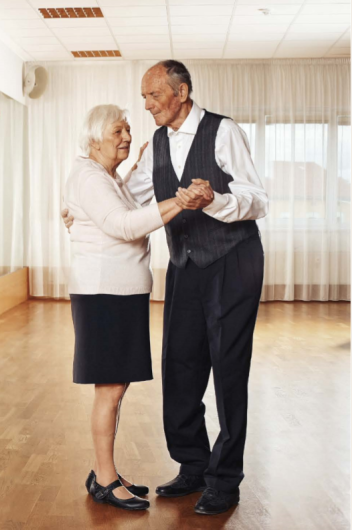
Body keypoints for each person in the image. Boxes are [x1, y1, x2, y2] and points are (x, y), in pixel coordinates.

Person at [64, 60, 268, 515]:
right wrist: (77, 209)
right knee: (180, 364)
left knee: (228, 369)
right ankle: (193, 464)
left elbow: (258, 198)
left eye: (153, 96)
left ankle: (225, 479)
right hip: (185, 264)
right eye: (143, 98)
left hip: (233, 259)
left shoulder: (223, 130)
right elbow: (126, 198)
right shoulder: (156, 142)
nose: (147, 105)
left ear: (181, 92)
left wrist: (215, 200)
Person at [65, 104, 199, 511]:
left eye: (127, 130)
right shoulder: (87, 176)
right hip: (103, 295)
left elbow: (132, 195)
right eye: (118, 131)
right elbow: (123, 224)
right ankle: (104, 480)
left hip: (118, 295)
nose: (126, 137)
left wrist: (143, 166)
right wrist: (181, 201)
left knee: (115, 388)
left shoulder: (106, 177)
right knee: (109, 390)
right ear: (94, 138)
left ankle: (105, 471)